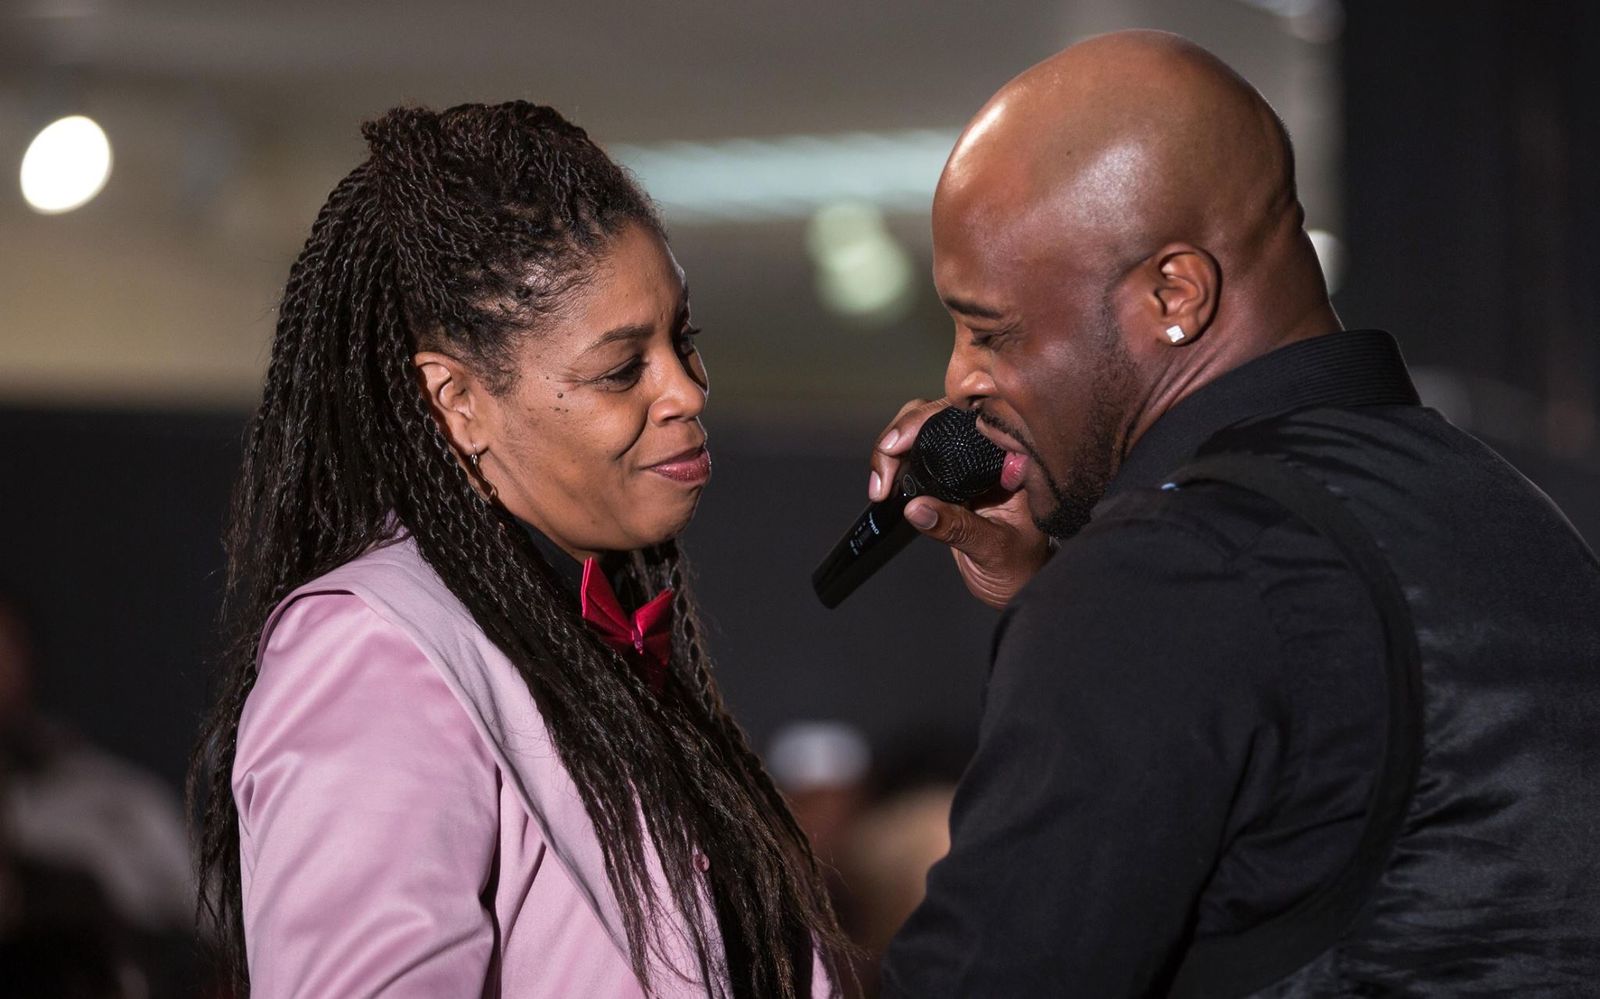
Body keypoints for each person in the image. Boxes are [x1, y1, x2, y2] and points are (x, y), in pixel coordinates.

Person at [868, 30, 1600, 997]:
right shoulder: (1507, 517)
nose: (962, 377)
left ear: (1174, 293)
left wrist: (1088, 609)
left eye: (990, 332)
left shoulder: (1167, 577)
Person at [188, 102, 846, 998]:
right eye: (622, 369)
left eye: (682, 340)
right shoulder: (374, 649)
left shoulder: (576, 629)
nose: (687, 391)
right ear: (457, 400)